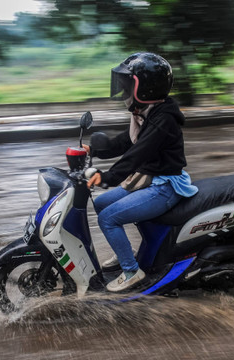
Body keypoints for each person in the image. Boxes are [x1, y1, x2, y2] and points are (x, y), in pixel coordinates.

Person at [85, 52, 198, 292]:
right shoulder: (146, 113)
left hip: (165, 186)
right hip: (150, 180)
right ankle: (125, 251)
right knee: (102, 204)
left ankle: (131, 271)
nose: (124, 93)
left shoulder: (163, 119)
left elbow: (137, 155)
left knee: (108, 218)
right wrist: (92, 150)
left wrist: (106, 178)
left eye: (127, 87)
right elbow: (124, 143)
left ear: (145, 88)